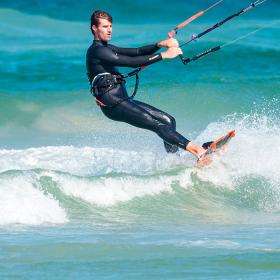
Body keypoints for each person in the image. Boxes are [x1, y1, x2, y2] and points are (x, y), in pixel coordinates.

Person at [86, 10, 208, 159]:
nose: (109, 30)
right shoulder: (96, 51)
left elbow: (137, 52)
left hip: (122, 99)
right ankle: (198, 151)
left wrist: (160, 44)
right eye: (105, 26)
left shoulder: (108, 48)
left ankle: (173, 160)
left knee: (168, 121)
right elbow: (131, 63)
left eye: (110, 26)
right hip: (112, 103)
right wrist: (165, 55)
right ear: (94, 28)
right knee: (158, 125)